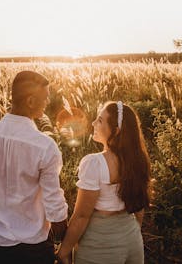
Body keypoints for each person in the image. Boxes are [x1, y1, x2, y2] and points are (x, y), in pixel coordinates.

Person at [0, 70, 68, 264]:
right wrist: (65, 242)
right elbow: (53, 204)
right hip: (33, 249)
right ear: (30, 101)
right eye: (45, 98)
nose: (47, 103)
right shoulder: (44, 146)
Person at [57, 101, 151, 264]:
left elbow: (81, 216)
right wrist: (131, 235)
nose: (93, 123)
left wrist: (63, 251)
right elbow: (139, 210)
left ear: (116, 131)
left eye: (100, 120)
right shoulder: (138, 160)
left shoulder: (94, 163)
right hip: (132, 239)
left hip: (100, 244)